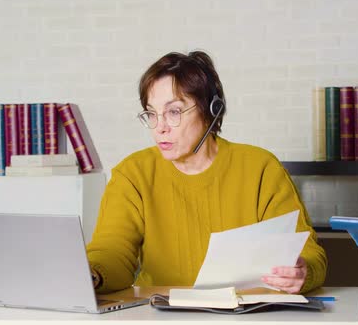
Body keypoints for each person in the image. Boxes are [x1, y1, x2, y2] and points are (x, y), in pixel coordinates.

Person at [86, 51, 327, 294]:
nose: (160, 128)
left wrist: (302, 272)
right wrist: (93, 274)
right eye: (151, 113)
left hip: (246, 315)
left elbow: (306, 250)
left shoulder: (261, 168)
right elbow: (111, 252)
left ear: (211, 109)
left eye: (174, 112)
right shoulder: (133, 174)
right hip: (160, 314)